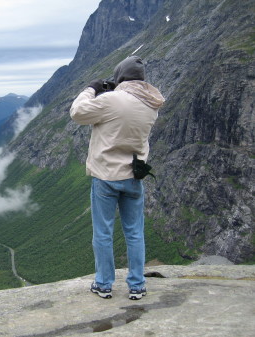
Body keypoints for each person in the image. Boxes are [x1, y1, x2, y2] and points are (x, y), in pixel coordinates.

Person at [69, 56, 165, 300]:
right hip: (134, 176)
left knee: (103, 232)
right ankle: (137, 285)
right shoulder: (151, 104)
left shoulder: (111, 100)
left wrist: (92, 88)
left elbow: (77, 113)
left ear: (120, 76)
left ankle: (103, 284)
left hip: (106, 176)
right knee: (134, 232)